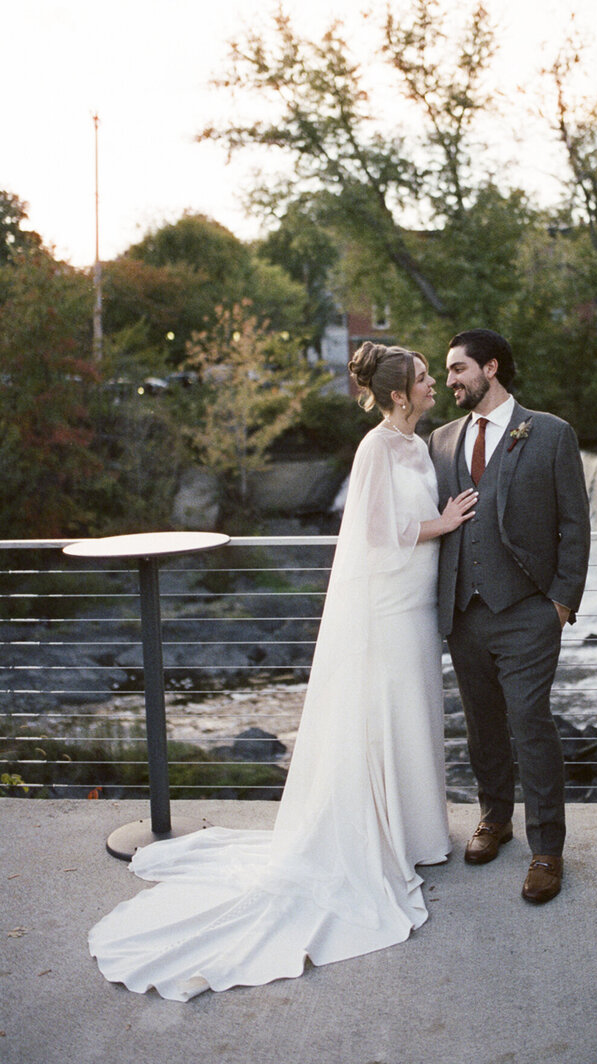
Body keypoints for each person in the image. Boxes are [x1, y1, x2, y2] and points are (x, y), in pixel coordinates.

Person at [88, 342, 477, 1001]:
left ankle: (415, 830)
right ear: (397, 396)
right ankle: (376, 832)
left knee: (412, 710)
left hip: (414, 602)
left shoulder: (418, 446)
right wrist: (442, 523)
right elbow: (379, 532)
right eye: (421, 379)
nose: (432, 385)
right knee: (383, 711)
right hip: (387, 602)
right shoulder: (376, 448)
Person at [428, 328, 590, 904]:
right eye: (446, 373)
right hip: (464, 612)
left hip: (528, 613)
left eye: (457, 369)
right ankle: (494, 820)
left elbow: (575, 522)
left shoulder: (550, 433)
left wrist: (561, 602)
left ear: (490, 367)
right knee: (482, 725)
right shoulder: (442, 441)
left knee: (530, 722)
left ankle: (547, 850)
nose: (448, 381)